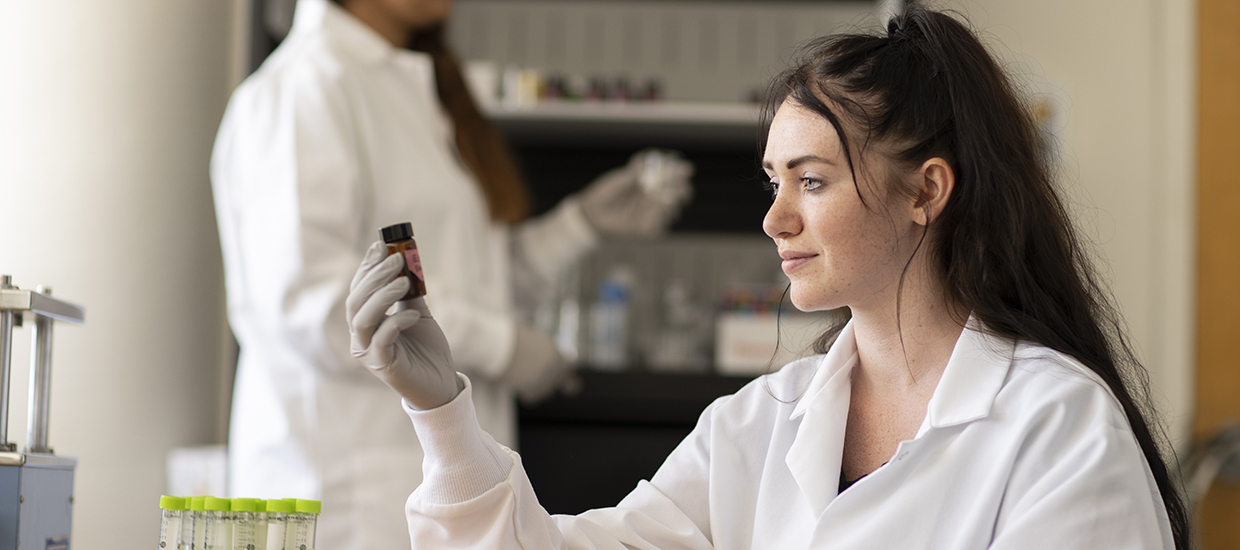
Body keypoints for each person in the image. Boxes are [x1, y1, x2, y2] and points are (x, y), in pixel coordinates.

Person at [344, 4, 1194, 549]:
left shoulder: (1056, 428)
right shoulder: (762, 424)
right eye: (773, 181)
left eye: (812, 181)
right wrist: (440, 411)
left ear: (926, 191)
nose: (774, 218)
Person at [209, 0, 692, 547]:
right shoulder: (302, 89)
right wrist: (499, 345)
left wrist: (579, 225)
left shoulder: (408, 85)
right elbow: (310, 307)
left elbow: (467, 281)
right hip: (349, 496)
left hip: (442, 481)